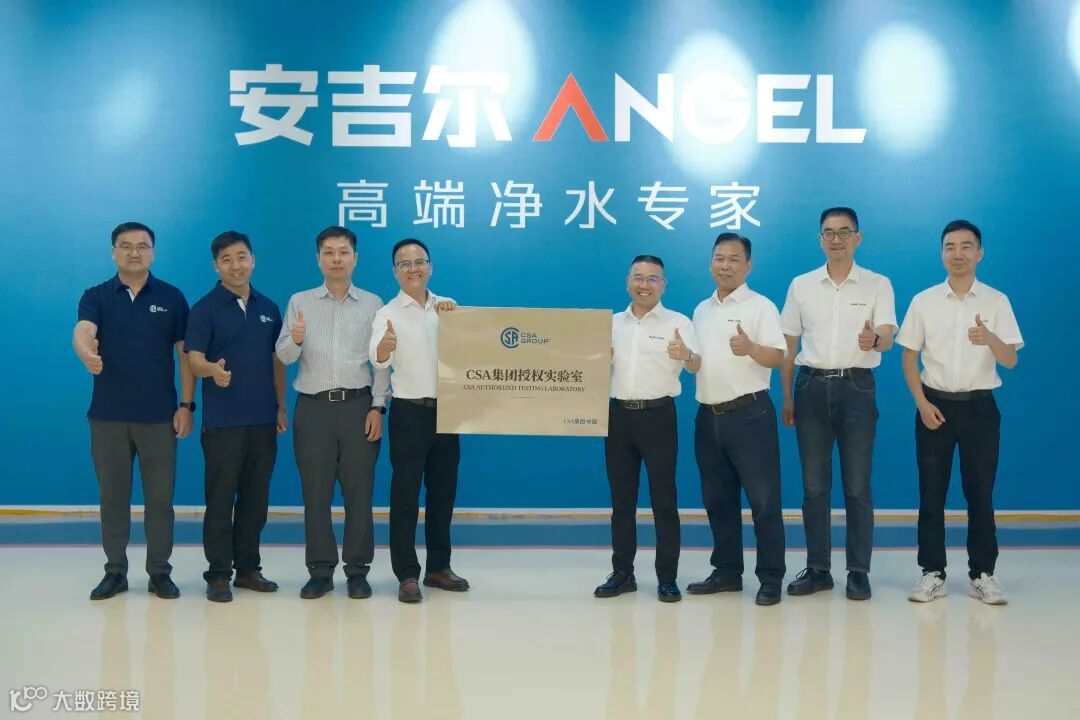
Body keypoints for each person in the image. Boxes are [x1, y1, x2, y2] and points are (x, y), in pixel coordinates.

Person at [897, 219, 1022, 605]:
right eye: (950, 246)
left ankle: (983, 574)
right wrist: (922, 404)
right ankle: (932, 573)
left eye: (966, 246)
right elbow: (909, 357)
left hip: (980, 408)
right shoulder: (924, 301)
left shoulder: (996, 301)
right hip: (934, 406)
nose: (958, 254)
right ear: (942, 253)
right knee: (931, 493)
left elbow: (1010, 359)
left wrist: (990, 338)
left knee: (980, 493)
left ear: (979, 253)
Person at [779, 207, 897, 601]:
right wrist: (787, 395)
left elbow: (887, 335)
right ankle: (818, 569)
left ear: (857, 238)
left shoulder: (877, 284)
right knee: (814, 487)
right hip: (810, 386)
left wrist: (874, 341)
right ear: (820, 239)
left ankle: (858, 571)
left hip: (856, 388)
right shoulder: (801, 285)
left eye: (845, 232)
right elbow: (789, 344)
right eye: (829, 233)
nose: (836, 239)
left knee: (857, 486)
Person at [73, 221, 194, 601]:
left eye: (142, 246)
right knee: (113, 498)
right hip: (108, 417)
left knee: (160, 500)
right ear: (114, 253)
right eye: (125, 246)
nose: (134, 252)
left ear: (153, 252)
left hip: (159, 417)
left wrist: (187, 405)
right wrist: (86, 353)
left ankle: (160, 572)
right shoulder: (97, 295)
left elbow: (185, 355)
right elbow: (83, 330)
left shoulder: (172, 297)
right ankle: (115, 572)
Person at [275, 226, 389, 600]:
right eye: (329, 252)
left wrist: (378, 406)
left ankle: (357, 571)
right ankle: (320, 571)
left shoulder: (373, 304)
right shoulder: (300, 301)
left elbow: (382, 362)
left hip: (358, 407)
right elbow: (284, 356)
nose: (336, 259)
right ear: (318, 259)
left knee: (359, 493)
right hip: (314, 409)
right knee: (316, 493)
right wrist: (296, 338)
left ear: (355, 258)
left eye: (343, 252)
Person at [686, 233, 787, 606]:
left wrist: (751, 348)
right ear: (711, 262)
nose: (725, 266)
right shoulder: (701, 310)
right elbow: (696, 361)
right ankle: (727, 572)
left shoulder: (761, 307)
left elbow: (778, 356)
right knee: (718, 500)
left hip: (749, 414)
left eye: (733, 259)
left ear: (748, 265)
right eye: (719, 258)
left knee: (764, 501)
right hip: (708, 416)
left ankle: (771, 577)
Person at [185, 231, 286, 602]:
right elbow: (193, 359)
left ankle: (248, 569)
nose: (236, 265)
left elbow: (277, 361)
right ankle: (217, 575)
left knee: (255, 500)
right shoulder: (204, 308)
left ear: (253, 260)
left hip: (262, 421)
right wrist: (211, 370)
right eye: (226, 259)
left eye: (242, 257)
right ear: (216, 266)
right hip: (222, 424)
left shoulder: (269, 307)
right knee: (220, 501)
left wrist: (280, 405)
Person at [595, 254, 699, 603]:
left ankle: (667, 578)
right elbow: (591, 372)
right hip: (618, 417)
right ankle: (622, 573)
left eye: (653, 279)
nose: (644, 285)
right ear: (628, 282)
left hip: (658, 417)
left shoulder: (679, 322)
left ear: (663, 285)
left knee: (664, 502)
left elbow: (696, 364)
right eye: (638, 277)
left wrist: (686, 354)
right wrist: (599, 361)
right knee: (621, 503)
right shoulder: (611, 324)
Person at [370, 238, 461, 604]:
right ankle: (407, 574)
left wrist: (457, 322)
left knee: (443, 494)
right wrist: (384, 347)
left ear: (430, 266)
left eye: (419, 262)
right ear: (395, 272)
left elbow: (471, 354)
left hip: (448, 412)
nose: (413, 269)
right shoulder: (387, 313)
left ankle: (439, 568)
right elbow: (377, 359)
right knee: (405, 496)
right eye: (404, 264)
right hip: (408, 412)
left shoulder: (448, 308)